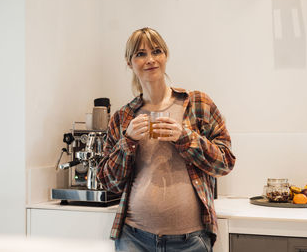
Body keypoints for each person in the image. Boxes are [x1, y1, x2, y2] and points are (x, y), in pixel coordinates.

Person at [97, 27, 236, 252]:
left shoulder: (198, 104)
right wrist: (128, 142)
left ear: (166, 56)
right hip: (134, 238)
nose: (150, 59)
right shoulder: (123, 118)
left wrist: (185, 137)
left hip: (191, 241)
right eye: (140, 54)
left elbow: (225, 163)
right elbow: (108, 182)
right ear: (129, 63)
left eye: (156, 51)